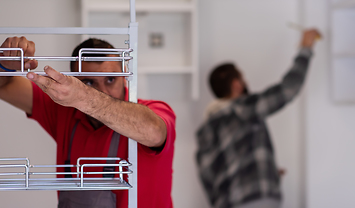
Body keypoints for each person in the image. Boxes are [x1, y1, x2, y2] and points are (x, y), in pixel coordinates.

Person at [0, 37, 176, 208]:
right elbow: (4, 86)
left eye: (110, 79)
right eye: (89, 82)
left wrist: (84, 95)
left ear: (124, 77)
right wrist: (4, 64)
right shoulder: (64, 112)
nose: (103, 91)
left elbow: (154, 132)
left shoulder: (153, 111)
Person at [196, 29, 321, 208]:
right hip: (256, 200)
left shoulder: (204, 130)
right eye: (242, 77)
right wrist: (305, 48)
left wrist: (265, 173)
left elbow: (207, 178)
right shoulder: (243, 108)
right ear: (236, 84)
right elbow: (287, 90)